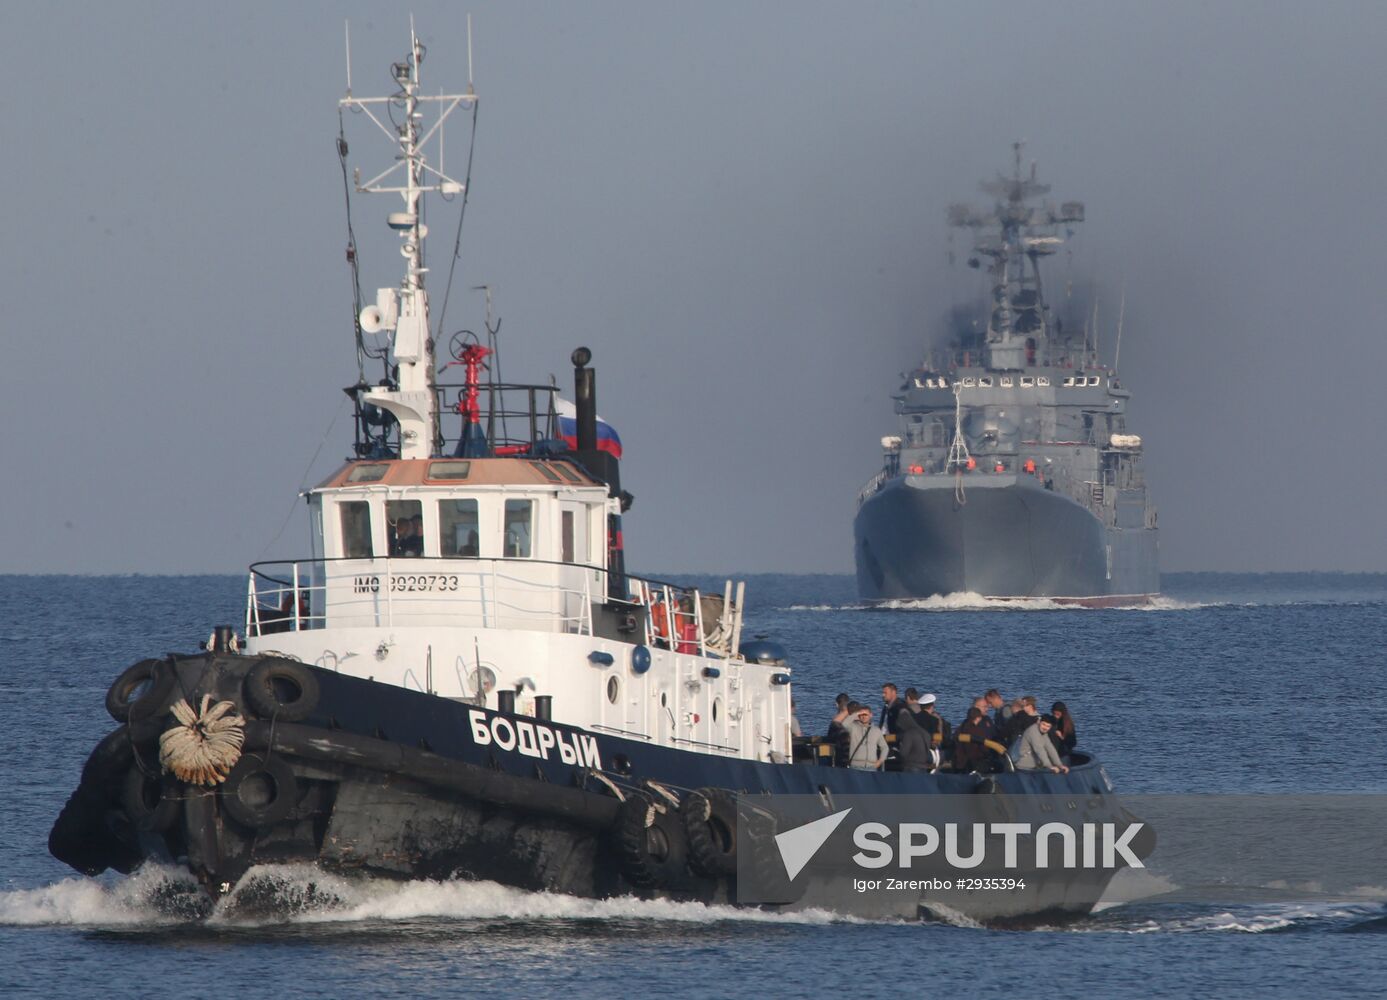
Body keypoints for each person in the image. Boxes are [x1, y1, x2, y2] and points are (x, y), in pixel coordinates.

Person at [843, 703, 888, 770]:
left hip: (871, 767)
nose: (863, 717)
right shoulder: (853, 727)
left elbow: (885, 747)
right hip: (855, 767)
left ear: (871, 715)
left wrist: (880, 761)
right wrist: (856, 713)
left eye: (865, 714)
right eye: (861, 715)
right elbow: (843, 725)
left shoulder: (876, 730)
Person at [893, 707, 934, 772]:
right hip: (924, 766)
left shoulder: (909, 734)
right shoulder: (925, 733)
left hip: (911, 767)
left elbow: (903, 753)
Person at [954, 706, 992, 773]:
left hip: (960, 761)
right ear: (978, 718)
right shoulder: (978, 731)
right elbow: (984, 749)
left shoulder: (962, 727)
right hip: (974, 763)